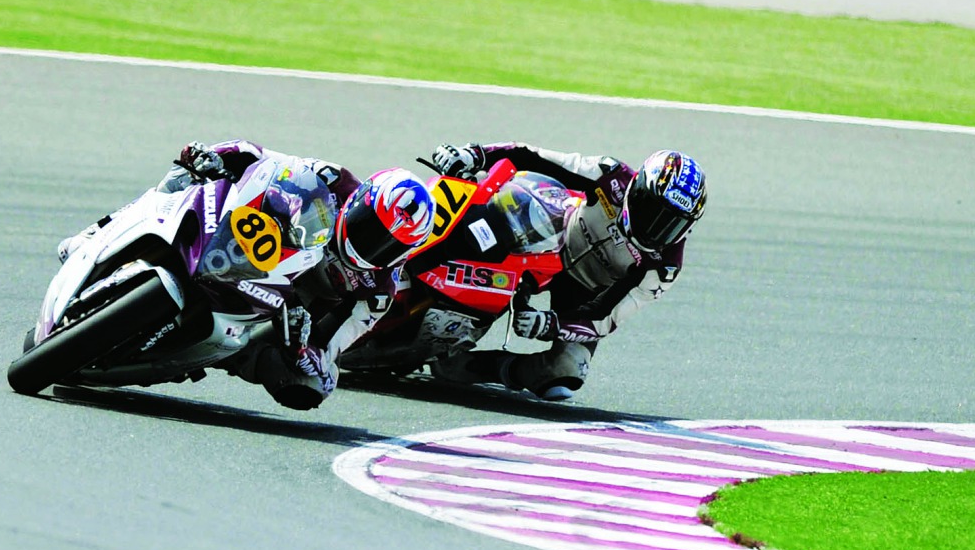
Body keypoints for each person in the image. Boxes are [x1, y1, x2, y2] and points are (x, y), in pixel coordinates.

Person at [60, 139, 436, 410]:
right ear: (359, 201)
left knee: (315, 387)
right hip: (255, 247)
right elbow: (263, 160)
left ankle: (199, 353)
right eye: (368, 226)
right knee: (181, 179)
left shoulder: (377, 292)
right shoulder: (334, 178)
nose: (371, 244)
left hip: (277, 310)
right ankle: (96, 233)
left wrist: (306, 351)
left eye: (387, 245)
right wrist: (214, 157)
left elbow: (332, 351)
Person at [428, 142, 706, 400]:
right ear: (636, 190)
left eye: (672, 223)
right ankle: (418, 257)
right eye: (652, 211)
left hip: (586, 291)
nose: (657, 228)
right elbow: (534, 157)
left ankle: (466, 367)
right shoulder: (611, 177)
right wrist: (476, 154)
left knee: (566, 373)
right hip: (552, 232)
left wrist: (553, 324)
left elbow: (605, 316)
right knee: (482, 219)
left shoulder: (663, 267)